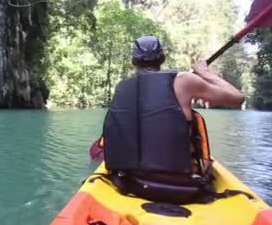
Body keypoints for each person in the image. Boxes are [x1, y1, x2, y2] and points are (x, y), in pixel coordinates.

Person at [98, 35, 245, 204]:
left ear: (133, 61)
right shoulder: (184, 80)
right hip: (181, 185)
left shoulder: (122, 87)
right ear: (162, 58)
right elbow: (237, 98)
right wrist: (204, 73)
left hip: (131, 182)